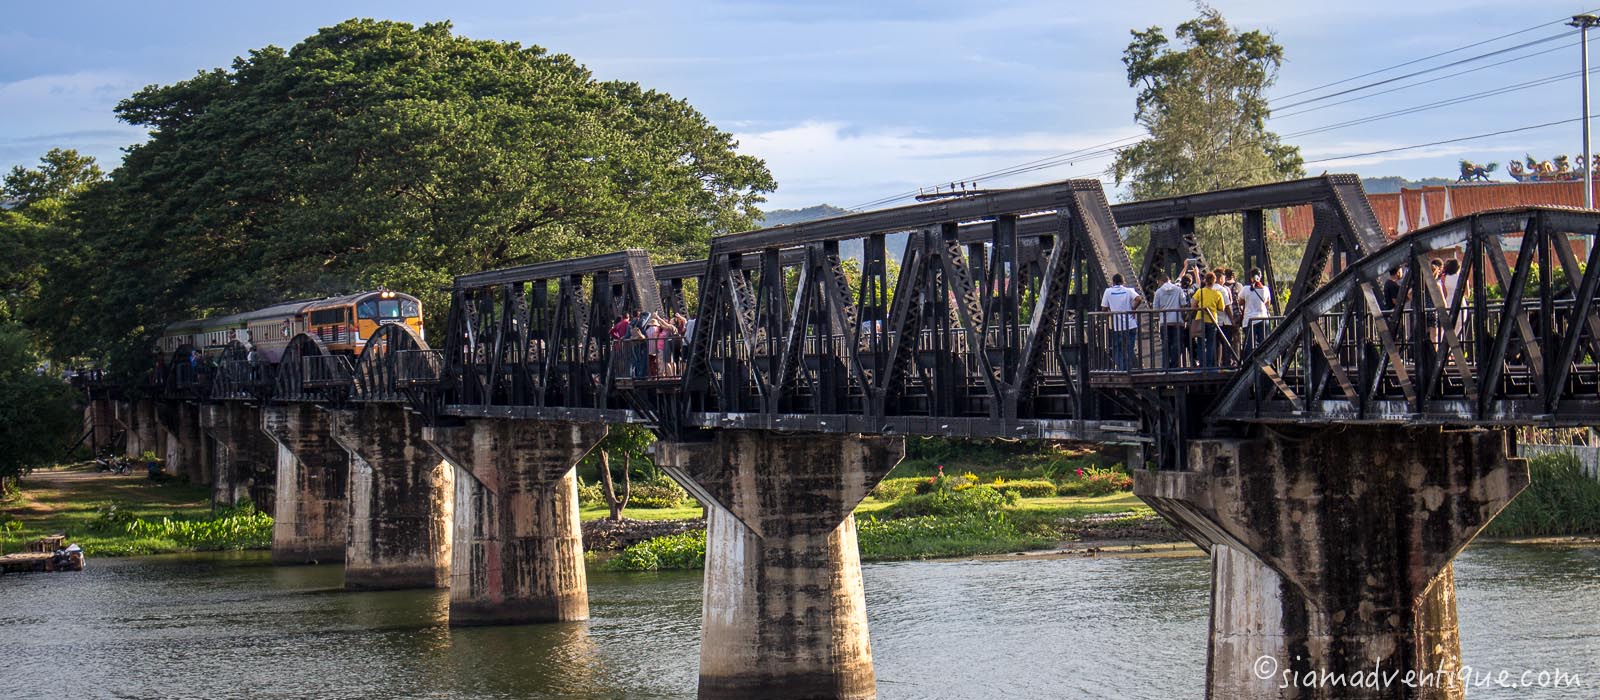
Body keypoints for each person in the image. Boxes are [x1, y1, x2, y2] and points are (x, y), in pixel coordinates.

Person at [1099, 273, 1144, 371]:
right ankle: (1128, 369)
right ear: (1123, 282)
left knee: (1117, 348)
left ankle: (1121, 369)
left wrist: (1109, 314)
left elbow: (1104, 308)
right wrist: (1133, 309)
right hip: (1130, 324)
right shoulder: (1128, 290)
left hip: (1117, 326)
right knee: (1129, 348)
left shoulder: (1108, 291)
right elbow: (1139, 299)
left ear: (1113, 282)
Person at [1151, 270, 1187, 369]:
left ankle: (1165, 367)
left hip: (1164, 322)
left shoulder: (1158, 292)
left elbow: (1155, 308)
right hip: (1177, 321)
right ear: (1169, 280)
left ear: (1160, 281)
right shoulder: (1178, 289)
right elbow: (1184, 304)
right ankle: (1174, 367)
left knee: (1165, 346)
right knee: (1177, 345)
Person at [1193, 272, 1227, 369]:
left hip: (1200, 319)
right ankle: (1209, 365)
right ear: (1214, 281)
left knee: (1200, 342)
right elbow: (1222, 308)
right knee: (1210, 343)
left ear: (1205, 281)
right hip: (1212, 320)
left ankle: (1201, 364)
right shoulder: (1217, 293)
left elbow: (1193, 305)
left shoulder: (1200, 292)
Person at [1240, 268, 1272, 356]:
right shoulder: (1265, 289)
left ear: (1251, 277)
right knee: (1264, 344)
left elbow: (1240, 302)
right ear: (1260, 276)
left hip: (1249, 320)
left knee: (1249, 345)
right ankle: (1264, 361)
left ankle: (1249, 365)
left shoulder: (1246, 289)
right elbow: (1268, 304)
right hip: (1263, 318)